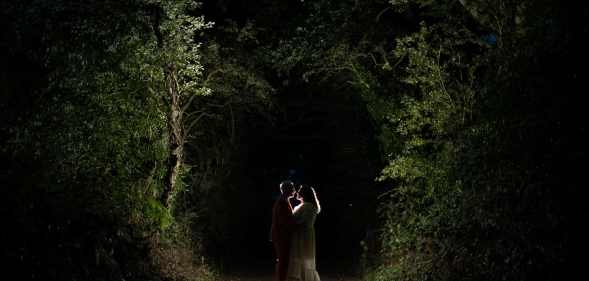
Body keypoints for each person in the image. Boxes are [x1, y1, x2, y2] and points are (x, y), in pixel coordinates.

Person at [287, 184, 321, 281]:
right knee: (301, 257)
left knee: (303, 257)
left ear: (305, 193)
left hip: (303, 235)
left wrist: (290, 225)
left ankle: (304, 278)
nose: (298, 192)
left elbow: (304, 223)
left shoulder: (309, 206)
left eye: (300, 190)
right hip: (302, 234)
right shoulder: (305, 205)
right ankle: (302, 277)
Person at [271, 180, 296, 281]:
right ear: (286, 190)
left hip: (282, 235)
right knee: (283, 260)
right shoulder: (282, 202)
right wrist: (297, 226)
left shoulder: (284, 201)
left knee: (283, 260)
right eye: (292, 188)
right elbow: (284, 222)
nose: (294, 191)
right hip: (281, 235)